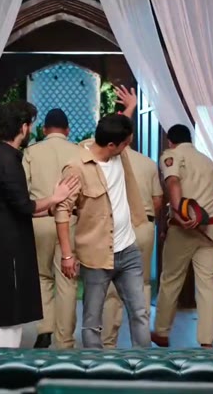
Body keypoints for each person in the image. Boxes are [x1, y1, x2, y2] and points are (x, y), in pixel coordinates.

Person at [0, 101, 78, 348]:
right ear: (23, 127)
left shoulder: (1, 156)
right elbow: (23, 204)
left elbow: (14, 203)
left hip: (14, 234)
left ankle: (42, 333)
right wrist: (55, 198)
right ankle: (60, 341)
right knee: (11, 304)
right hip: (10, 241)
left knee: (23, 292)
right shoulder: (8, 160)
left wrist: (47, 209)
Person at [56, 113, 151, 349]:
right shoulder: (76, 168)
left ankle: (146, 364)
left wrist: (129, 109)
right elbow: (62, 211)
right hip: (95, 255)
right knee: (92, 321)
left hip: (128, 249)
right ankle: (94, 366)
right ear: (111, 145)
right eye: (125, 144)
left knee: (140, 312)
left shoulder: (119, 154)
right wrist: (67, 255)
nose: (128, 147)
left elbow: (117, 128)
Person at [98, 87, 163, 348]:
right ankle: (141, 344)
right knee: (142, 285)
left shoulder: (104, 161)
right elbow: (158, 201)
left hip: (115, 227)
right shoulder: (147, 163)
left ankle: (108, 344)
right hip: (144, 226)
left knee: (112, 289)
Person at [152, 124, 213, 348]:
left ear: (170, 141)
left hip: (183, 228)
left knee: (171, 279)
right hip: (210, 228)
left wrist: (180, 213)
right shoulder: (208, 161)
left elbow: (173, 182)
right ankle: (207, 341)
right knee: (207, 285)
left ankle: (162, 332)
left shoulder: (171, 156)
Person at [22, 108, 81, 349]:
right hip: (71, 221)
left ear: (44, 130)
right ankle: (65, 339)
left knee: (42, 276)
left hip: (39, 219)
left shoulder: (31, 152)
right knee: (67, 280)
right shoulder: (78, 152)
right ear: (68, 130)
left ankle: (44, 329)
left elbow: (23, 189)